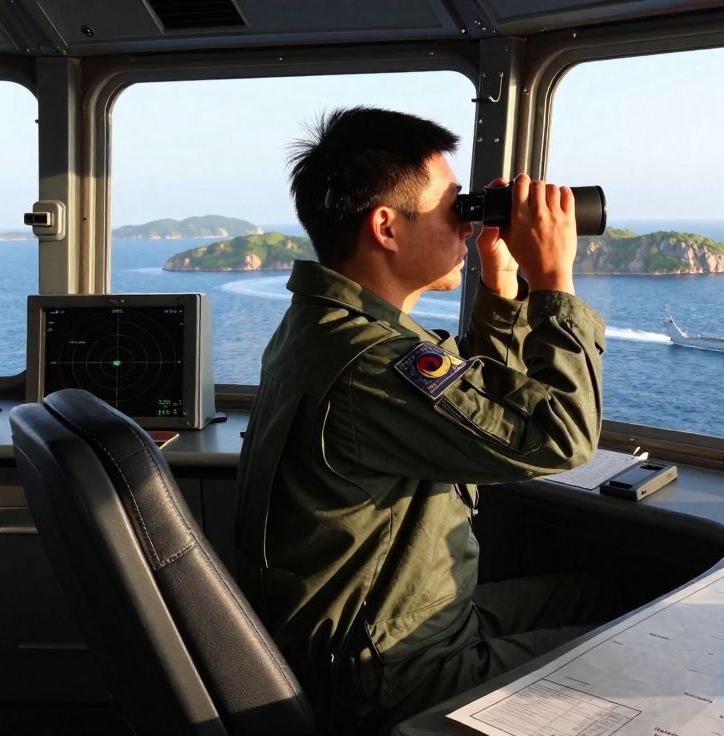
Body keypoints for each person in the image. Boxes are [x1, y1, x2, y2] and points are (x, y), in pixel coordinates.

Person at [235, 107, 613, 734]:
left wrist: (502, 281)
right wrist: (555, 281)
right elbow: (559, 437)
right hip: (391, 674)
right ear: (385, 227)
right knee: (614, 652)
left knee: (605, 595)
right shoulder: (369, 362)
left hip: (401, 630)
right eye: (453, 208)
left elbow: (477, 412)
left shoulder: (329, 327)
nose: (465, 225)